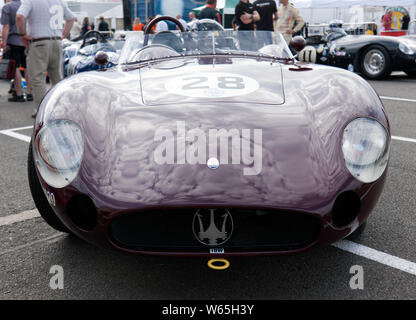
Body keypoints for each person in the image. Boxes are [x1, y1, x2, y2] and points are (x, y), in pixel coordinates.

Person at [16, 0, 75, 117]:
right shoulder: (59, 1)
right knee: (57, 77)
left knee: (38, 78)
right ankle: (60, 108)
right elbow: (71, 18)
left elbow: (19, 17)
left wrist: (22, 35)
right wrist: (63, 34)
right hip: (56, 41)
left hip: (39, 42)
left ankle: (41, 110)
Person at [1, 0, 32, 102]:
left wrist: (4, 43)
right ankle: (29, 93)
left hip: (13, 41)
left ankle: (18, 94)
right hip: (26, 41)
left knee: (16, 67)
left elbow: (6, 26)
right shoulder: (26, 5)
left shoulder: (7, 7)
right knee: (27, 67)